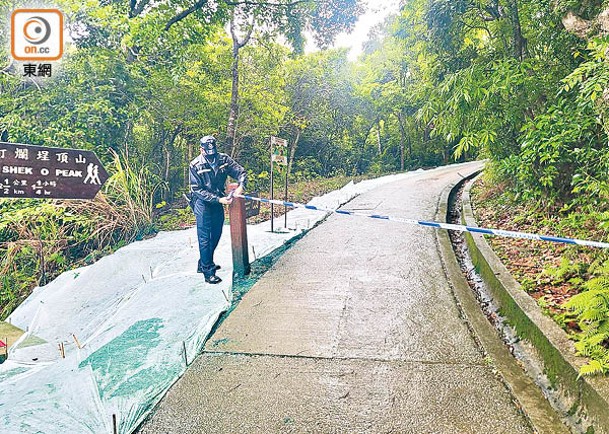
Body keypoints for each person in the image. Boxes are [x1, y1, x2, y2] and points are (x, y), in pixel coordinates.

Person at [189, 135, 246, 284]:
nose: (211, 155)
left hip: (218, 201)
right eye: (208, 152)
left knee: (216, 233)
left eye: (213, 152)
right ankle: (208, 272)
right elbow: (197, 189)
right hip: (202, 203)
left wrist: (240, 185)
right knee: (204, 238)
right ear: (201, 149)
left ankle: (203, 262)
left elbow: (240, 172)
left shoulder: (223, 159)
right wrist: (218, 199)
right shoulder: (195, 165)